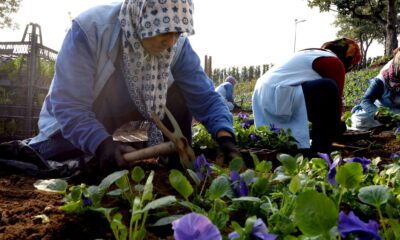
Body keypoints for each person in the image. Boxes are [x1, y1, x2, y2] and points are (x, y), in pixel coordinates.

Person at [28, 0, 239, 173]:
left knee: (179, 91)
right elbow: (69, 105)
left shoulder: (177, 47)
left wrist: (225, 138)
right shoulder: (91, 30)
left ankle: (173, 163)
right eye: (165, 31)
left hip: (121, 124)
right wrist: (101, 144)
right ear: (143, 20)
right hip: (72, 126)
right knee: (65, 159)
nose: (172, 42)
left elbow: (205, 97)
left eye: (178, 32)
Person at [252, 38, 361, 153]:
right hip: (279, 94)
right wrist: (336, 129)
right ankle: (320, 150)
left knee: (322, 95)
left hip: (263, 94)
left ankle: (308, 139)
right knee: (328, 88)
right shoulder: (334, 62)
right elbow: (336, 102)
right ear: (348, 59)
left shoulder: (312, 53)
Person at [350, 49, 400, 130]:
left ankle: (391, 126)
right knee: (359, 119)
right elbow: (366, 100)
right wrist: (377, 114)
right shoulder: (382, 79)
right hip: (383, 109)